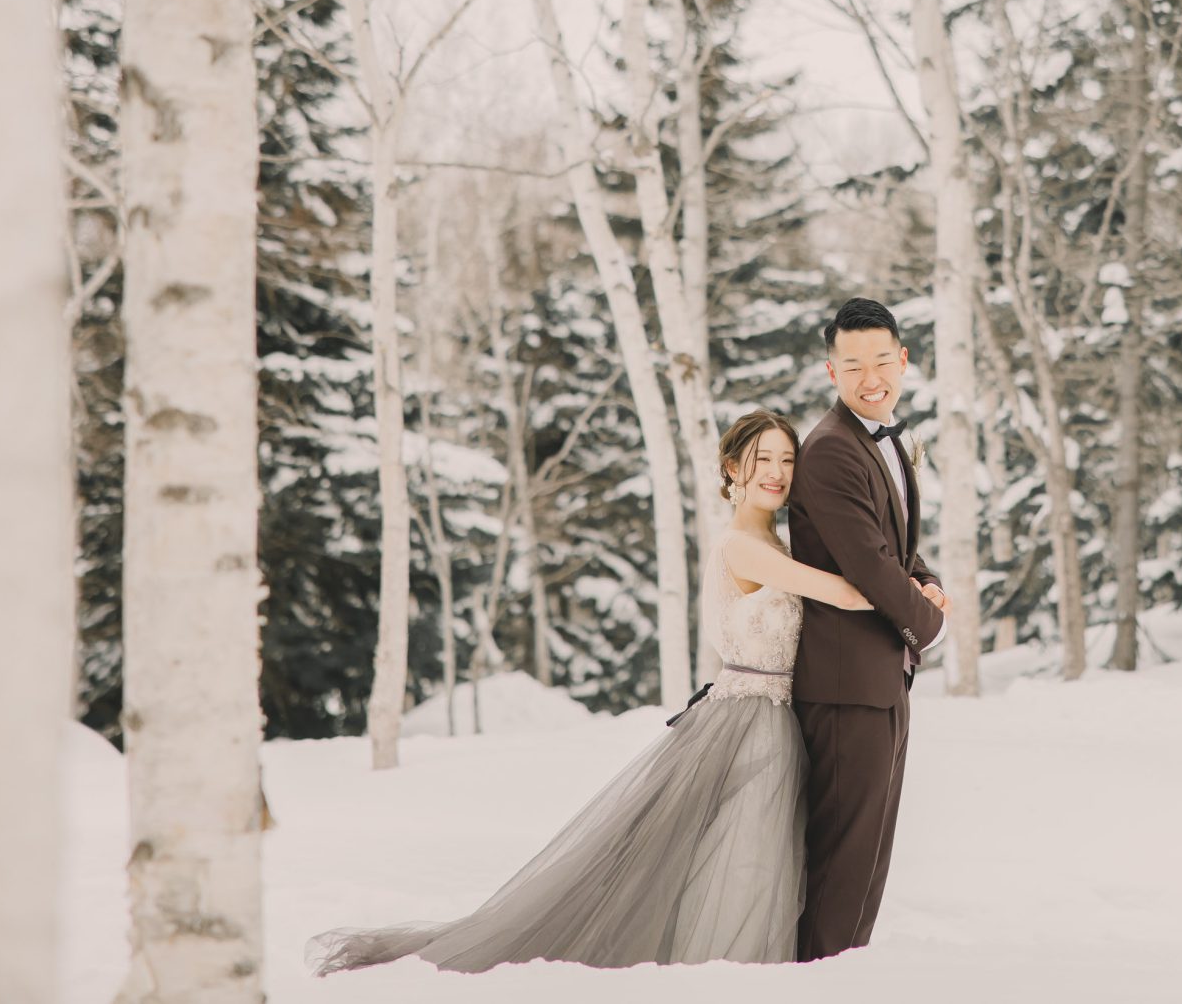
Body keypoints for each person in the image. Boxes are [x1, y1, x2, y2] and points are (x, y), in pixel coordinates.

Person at [304, 411, 867, 974]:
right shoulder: (742, 544)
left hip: (770, 720)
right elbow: (841, 594)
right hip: (744, 722)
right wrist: (909, 594)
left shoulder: (778, 539)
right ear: (731, 468)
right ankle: (728, 979)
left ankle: (726, 973)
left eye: (788, 459)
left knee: (739, 861)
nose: (776, 472)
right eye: (761, 459)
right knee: (740, 863)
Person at [787, 296, 951, 960]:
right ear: (832, 371)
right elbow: (869, 565)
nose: (870, 375)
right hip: (844, 686)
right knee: (842, 867)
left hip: (881, 677)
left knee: (867, 865)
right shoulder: (830, 450)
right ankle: (819, 980)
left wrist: (927, 576)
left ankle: (838, 976)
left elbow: (895, 544)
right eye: (853, 364)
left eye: (882, 359)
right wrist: (930, 621)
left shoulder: (884, 437)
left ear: (903, 360)